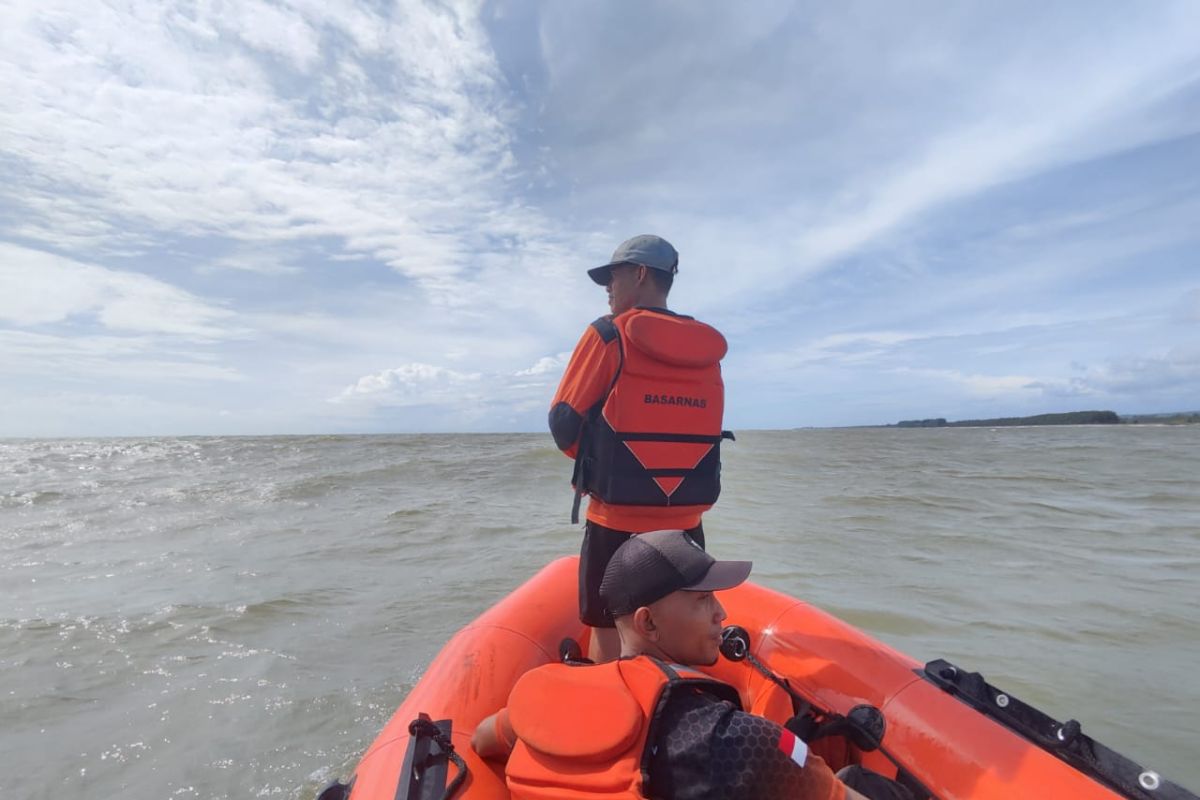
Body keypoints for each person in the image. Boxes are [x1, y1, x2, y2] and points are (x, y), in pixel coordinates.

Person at [471, 530, 906, 799]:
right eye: (702, 601)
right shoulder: (732, 740)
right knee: (858, 779)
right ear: (649, 623)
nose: (721, 613)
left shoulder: (541, 698)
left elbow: (482, 739)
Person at [549, 234, 732, 662]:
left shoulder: (608, 334)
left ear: (641, 274)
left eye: (612, 277)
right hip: (686, 524)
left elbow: (563, 424)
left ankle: (610, 711)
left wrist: (607, 460)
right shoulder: (707, 349)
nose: (608, 288)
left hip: (616, 518)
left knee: (608, 624)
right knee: (678, 625)